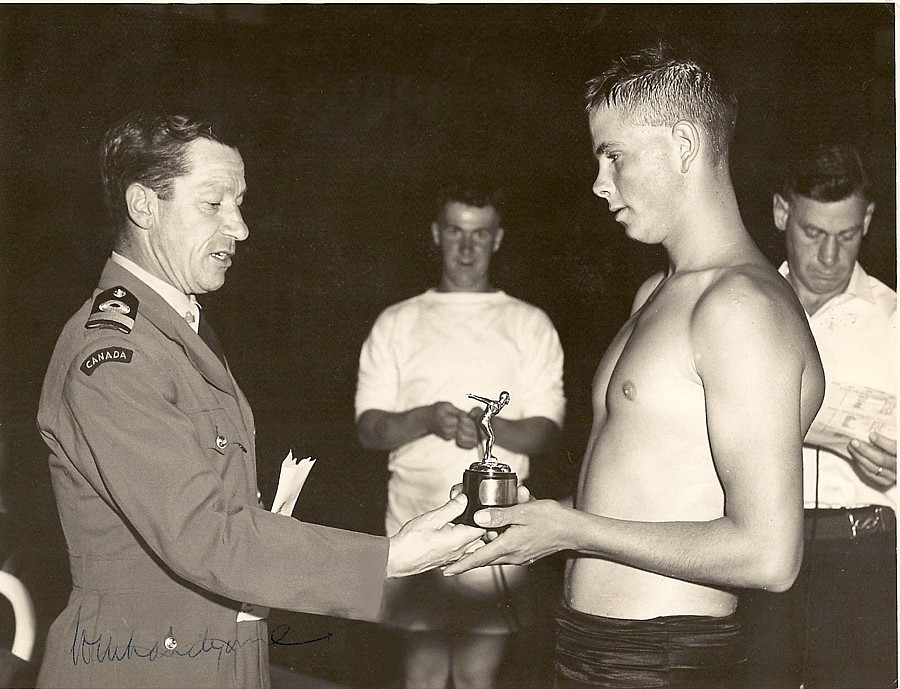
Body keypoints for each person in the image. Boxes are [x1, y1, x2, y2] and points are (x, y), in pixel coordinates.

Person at [35, 112, 486, 689]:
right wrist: (388, 559)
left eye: (240, 203)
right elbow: (206, 536)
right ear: (144, 206)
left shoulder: (173, 329)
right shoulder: (115, 357)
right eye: (214, 204)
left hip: (216, 652)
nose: (241, 228)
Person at [444, 43, 826, 689]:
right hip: (589, 644)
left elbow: (768, 554)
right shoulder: (658, 292)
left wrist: (571, 528)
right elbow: (645, 494)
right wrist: (535, 521)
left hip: (664, 659)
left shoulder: (740, 306)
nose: (598, 181)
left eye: (615, 155)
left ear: (683, 144)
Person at [354, 180, 566, 689]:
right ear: (436, 234)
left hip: (495, 532)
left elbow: (546, 432)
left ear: (497, 239)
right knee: (422, 676)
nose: (467, 247)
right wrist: (427, 418)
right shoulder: (397, 321)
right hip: (412, 525)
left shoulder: (530, 324)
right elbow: (368, 429)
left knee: (476, 679)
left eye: (480, 233)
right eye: (455, 231)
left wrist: (489, 427)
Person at [738, 143, 897, 688]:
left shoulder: (894, 321)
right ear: (783, 213)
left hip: (865, 556)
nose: (830, 257)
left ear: (869, 220)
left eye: (847, 236)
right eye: (813, 234)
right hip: (756, 549)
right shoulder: (744, 306)